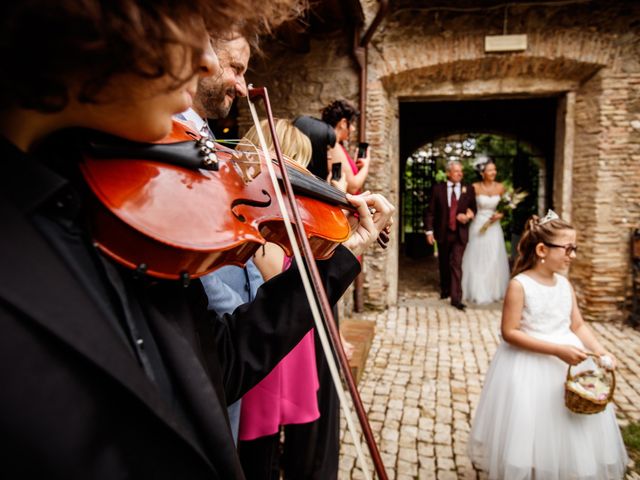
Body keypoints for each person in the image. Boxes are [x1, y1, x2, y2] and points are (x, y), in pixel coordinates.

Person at [0, 2, 395, 479]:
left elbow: (218, 371)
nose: (206, 63)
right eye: (182, 21)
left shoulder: (133, 217)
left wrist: (340, 256)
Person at [468, 211, 628, 479]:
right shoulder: (520, 285)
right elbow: (509, 332)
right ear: (542, 249)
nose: (572, 255)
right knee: (532, 424)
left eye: (574, 249)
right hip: (529, 365)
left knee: (567, 425)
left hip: (569, 364)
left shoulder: (565, 285)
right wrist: (556, 350)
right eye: (567, 248)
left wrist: (601, 352)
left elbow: (577, 325)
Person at [177, 30, 254, 443]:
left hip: (230, 324)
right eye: (236, 68)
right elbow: (194, 251)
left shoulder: (206, 136)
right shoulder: (175, 138)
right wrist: (247, 313)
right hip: (212, 325)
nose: (241, 85)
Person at [424, 160, 477, 311]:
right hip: (443, 232)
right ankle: (445, 289)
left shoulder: (469, 188)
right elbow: (430, 212)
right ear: (448, 173)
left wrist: (467, 216)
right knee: (444, 263)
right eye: (456, 171)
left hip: (460, 233)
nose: (460, 174)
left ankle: (456, 298)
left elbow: (474, 209)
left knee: (456, 263)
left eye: (461, 171)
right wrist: (429, 231)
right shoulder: (438, 189)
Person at [461, 158, 510, 304]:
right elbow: (467, 205)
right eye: (490, 170)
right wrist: (469, 213)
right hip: (478, 225)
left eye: (494, 170)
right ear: (482, 173)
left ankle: (493, 290)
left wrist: (501, 214)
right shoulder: (474, 187)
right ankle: (475, 290)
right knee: (477, 257)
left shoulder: (501, 187)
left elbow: (506, 207)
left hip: (494, 227)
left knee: (494, 257)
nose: (493, 172)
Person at [321, 99, 370, 195]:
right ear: (343, 123)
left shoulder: (337, 145)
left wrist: (358, 167)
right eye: (351, 123)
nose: (353, 128)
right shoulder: (334, 146)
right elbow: (352, 187)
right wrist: (366, 166)